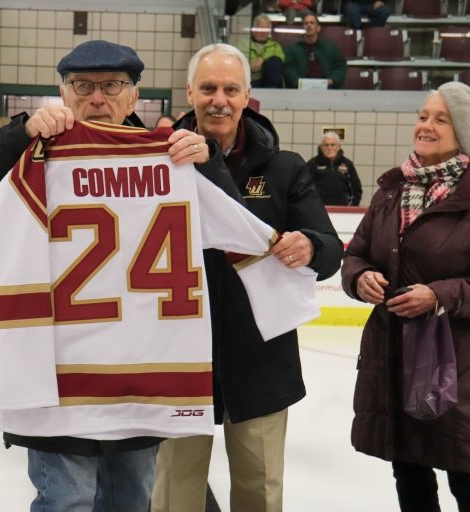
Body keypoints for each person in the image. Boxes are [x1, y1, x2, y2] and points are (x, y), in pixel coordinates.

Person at [0, 39, 240, 512]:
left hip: (140, 376)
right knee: (67, 500)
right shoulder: (35, 147)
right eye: (83, 86)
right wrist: (19, 134)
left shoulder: (173, 155)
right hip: (59, 375)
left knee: (132, 500)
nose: (98, 97)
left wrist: (210, 164)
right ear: (64, 91)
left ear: (134, 96)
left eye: (112, 85)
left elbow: (231, 234)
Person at [151, 43, 343, 512]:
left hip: (260, 362)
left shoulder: (285, 169)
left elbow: (332, 248)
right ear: (189, 92)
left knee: (259, 495)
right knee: (175, 496)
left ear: (247, 96)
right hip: (177, 360)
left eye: (230, 89)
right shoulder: (153, 163)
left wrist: (311, 245)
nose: (219, 99)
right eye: (209, 88)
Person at [340, 81, 470, 512]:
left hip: (458, 364)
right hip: (394, 355)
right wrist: (360, 279)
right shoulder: (391, 191)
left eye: (441, 119)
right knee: (409, 472)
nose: (426, 125)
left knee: (463, 473)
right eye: (422, 116)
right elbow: (355, 255)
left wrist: (438, 295)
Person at [283, 13, 347, 89]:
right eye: (306, 23)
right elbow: (288, 69)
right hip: (300, 91)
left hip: (327, 90)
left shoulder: (330, 47)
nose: (309, 25)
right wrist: (298, 83)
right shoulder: (292, 49)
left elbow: (341, 66)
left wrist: (332, 80)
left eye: (312, 23)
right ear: (303, 27)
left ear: (318, 28)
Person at [307, 131, 362, 206]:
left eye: (332, 145)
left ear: (338, 146)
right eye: (326, 145)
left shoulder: (347, 164)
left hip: (342, 211)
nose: (329, 148)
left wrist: (351, 208)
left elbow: (356, 189)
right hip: (318, 210)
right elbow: (304, 188)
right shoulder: (312, 164)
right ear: (321, 147)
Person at [246, 14, 285, 88]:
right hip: (251, 80)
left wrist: (262, 59)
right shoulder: (244, 44)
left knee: (275, 61)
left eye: (266, 30)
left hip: (270, 81)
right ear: (254, 29)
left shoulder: (275, 45)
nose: (263, 32)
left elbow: (281, 58)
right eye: (261, 29)